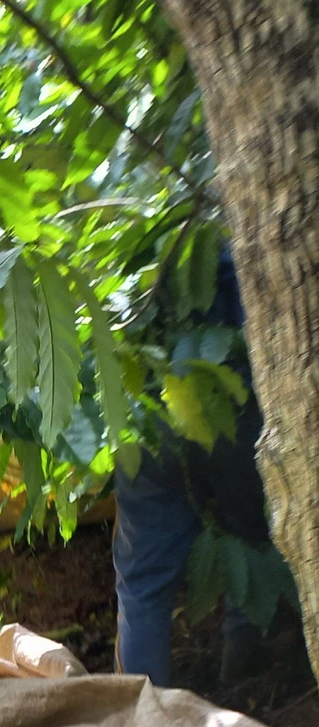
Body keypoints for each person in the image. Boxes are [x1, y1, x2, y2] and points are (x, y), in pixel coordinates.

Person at [112, 248, 273, 688]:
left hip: (149, 409)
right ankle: (242, 671)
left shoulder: (144, 249)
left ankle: (144, 715)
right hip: (239, 405)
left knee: (142, 584)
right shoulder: (255, 241)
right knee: (252, 534)